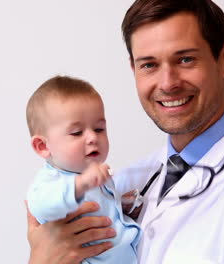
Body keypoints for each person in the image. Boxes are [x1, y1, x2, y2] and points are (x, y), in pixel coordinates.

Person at [26, 0, 224, 263]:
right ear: (134, 69)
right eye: (149, 65)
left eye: (186, 59)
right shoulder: (128, 182)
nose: (167, 84)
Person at [25, 76, 141, 263]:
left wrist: (120, 205)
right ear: (42, 146)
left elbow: (100, 209)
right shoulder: (50, 183)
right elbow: (44, 206)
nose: (92, 138)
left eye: (99, 129)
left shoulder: (93, 178)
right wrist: (81, 184)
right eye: (77, 133)